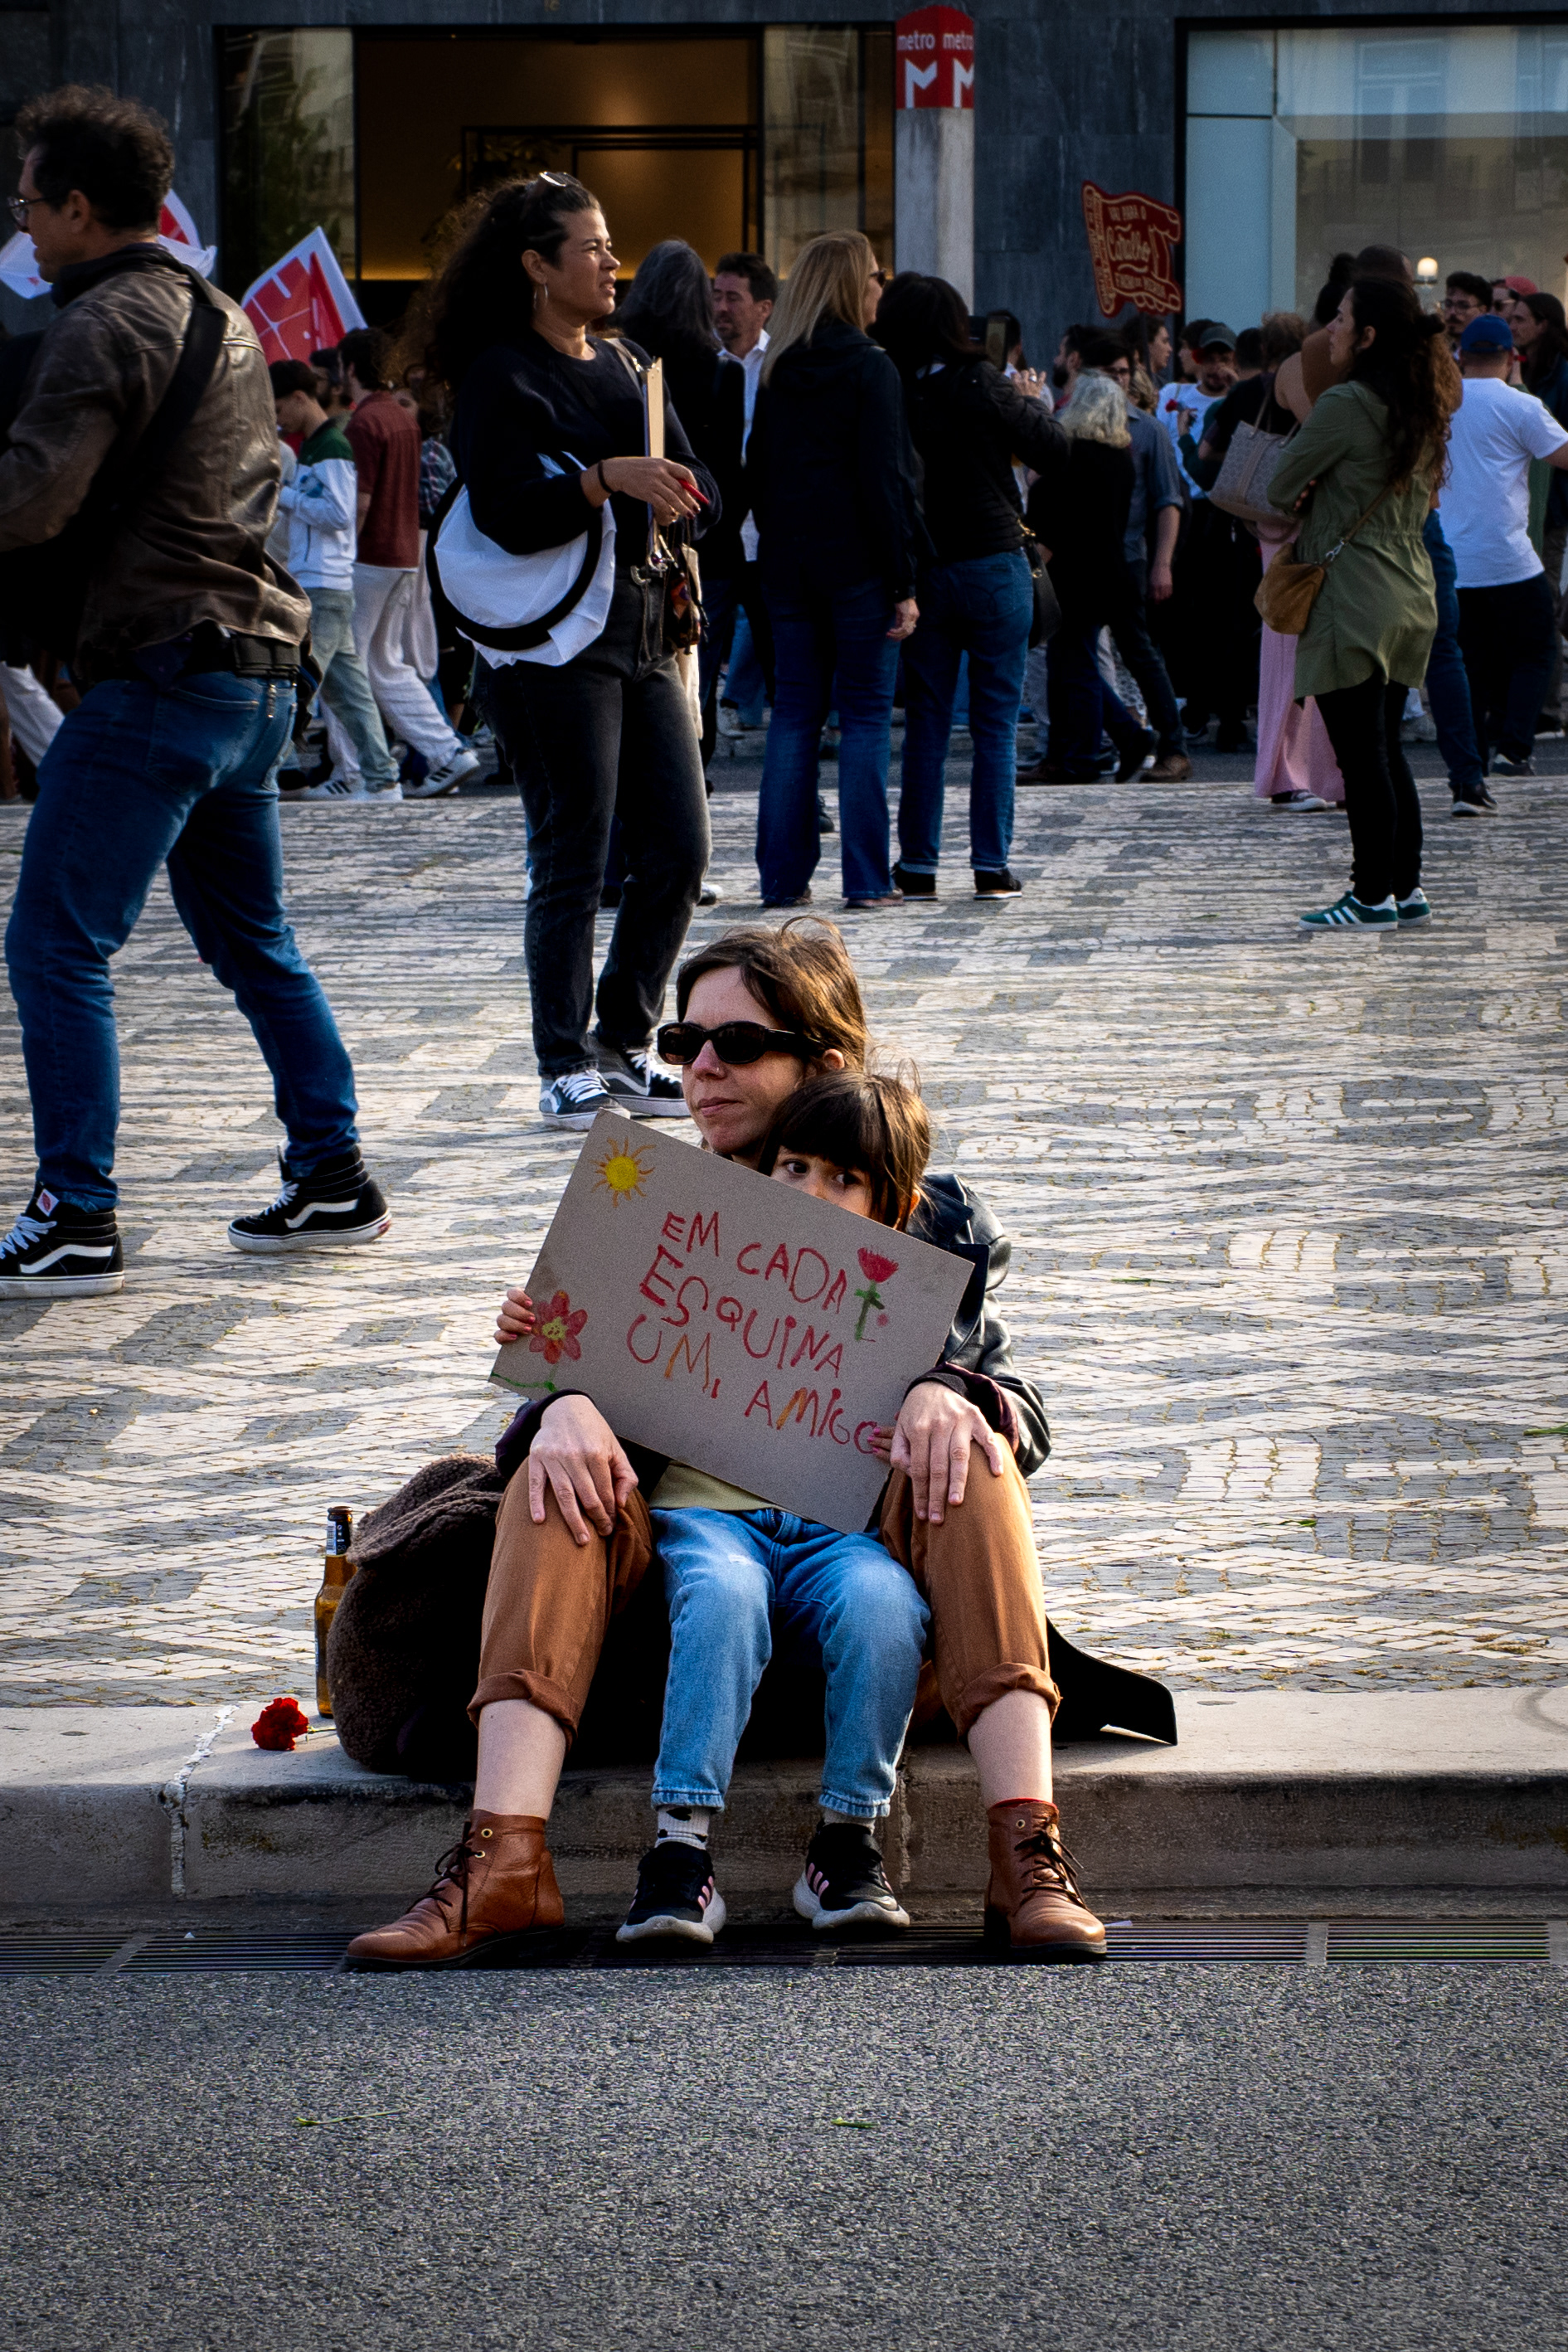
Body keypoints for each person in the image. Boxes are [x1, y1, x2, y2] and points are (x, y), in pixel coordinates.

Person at [342, 917, 1134, 1970]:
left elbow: (1021, 1404)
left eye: (737, 1042)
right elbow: (573, 1375)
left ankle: (1024, 1854)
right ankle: (502, 1866)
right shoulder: (648, 1203)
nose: (700, 1067)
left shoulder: (921, 1213)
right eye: (682, 1042)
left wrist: (953, 1392)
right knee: (548, 1469)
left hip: (862, 1605)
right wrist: (558, 1406)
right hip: (673, 1617)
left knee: (975, 1448)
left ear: (824, 1062)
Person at [0, 85, 390, 1296]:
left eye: (29, 200)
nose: (22, 221)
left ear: (77, 206)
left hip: (163, 674)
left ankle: (76, 1210)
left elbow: (31, 498)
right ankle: (332, 1174)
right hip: (252, 674)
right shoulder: (218, 313)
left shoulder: (103, 321)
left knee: (54, 940)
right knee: (254, 942)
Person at [487, 1070, 940, 1947]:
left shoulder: (907, 1310)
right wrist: (543, 1345)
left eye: (844, 1179)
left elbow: (967, 1391)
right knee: (726, 1592)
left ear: (891, 1208)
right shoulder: (712, 1252)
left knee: (886, 1605)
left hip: (834, 1533)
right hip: (706, 1519)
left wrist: (938, 1394)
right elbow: (585, 1354)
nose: (812, 1193)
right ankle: (680, 1850)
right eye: (794, 1168)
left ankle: (846, 1842)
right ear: (763, 1172)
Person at [415, 173, 716, 1129]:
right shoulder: (501, 374)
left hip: (644, 630)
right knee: (573, 848)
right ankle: (561, 1061)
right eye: (590, 247)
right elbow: (505, 513)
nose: (611, 261)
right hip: (549, 647)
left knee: (680, 847)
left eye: (610, 243)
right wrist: (601, 479)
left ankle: (623, 1040)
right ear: (537, 267)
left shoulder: (630, 362)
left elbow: (702, 481)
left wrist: (680, 493)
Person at [1268, 275, 1457, 930]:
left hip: (1351, 590)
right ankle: (1405, 888)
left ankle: (1370, 894)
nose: (1331, 328)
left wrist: (1315, 484)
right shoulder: (1422, 402)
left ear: (1368, 335)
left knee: (1360, 755)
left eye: (1342, 319)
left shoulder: (1346, 403)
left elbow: (1280, 486)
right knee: (1384, 748)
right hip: (1409, 585)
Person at [747, 231, 923, 908]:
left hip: (788, 565)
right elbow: (885, 482)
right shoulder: (871, 367)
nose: (881, 287)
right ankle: (867, 879)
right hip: (859, 567)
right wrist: (903, 582)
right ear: (852, 284)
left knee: (794, 716)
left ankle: (781, 878)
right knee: (866, 718)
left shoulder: (777, 366)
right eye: (875, 275)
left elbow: (757, 470)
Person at [873, 272, 1063, 897]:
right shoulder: (982, 380)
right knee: (995, 725)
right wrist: (1030, 401)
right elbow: (1054, 450)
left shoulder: (890, 385)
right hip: (994, 564)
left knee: (926, 725)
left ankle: (918, 866)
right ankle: (990, 864)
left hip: (926, 569)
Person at [614, 240, 745, 763]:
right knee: (696, 674)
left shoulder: (619, 362)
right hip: (704, 544)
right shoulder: (723, 372)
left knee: (636, 672)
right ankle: (692, 774)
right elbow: (727, 476)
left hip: (634, 535)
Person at [338, 326, 478, 799]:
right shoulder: (402, 418)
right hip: (403, 555)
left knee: (346, 665)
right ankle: (448, 751)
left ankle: (357, 773)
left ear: (350, 368)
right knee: (385, 664)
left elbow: (361, 502)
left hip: (368, 556)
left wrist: (342, 554)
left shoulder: (363, 423)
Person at [267, 358, 401, 804]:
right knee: (348, 693)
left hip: (324, 583)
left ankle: (260, 773)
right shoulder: (317, 445)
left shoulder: (331, 447)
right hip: (324, 582)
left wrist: (284, 495)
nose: (278, 421)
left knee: (299, 682)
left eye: (279, 409)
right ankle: (383, 779)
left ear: (300, 398)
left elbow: (340, 514)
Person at [1444, 312, 1568, 781]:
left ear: (1461, 355)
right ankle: (1514, 750)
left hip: (1453, 560)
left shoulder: (1441, 404)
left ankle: (1473, 758)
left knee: (1468, 663)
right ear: (1511, 356)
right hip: (1510, 557)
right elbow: (1562, 455)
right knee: (1537, 650)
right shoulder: (1521, 405)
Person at [1064, 331, 1191, 783]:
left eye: (1124, 372)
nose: (1118, 380)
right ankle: (1079, 748)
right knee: (1071, 655)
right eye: (1110, 372)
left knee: (1139, 653)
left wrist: (1162, 563)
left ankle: (1172, 746)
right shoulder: (1070, 423)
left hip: (1128, 557)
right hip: (1081, 561)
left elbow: (1168, 500)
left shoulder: (1147, 429)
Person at [1030, 372, 1153, 782]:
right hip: (1108, 573)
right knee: (1072, 662)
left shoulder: (1072, 456)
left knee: (1075, 666)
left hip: (1073, 576)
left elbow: (1050, 515)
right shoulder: (1120, 460)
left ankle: (1081, 756)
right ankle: (1113, 740)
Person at [711, 250, 778, 723]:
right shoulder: (702, 365)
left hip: (768, 536)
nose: (721, 307)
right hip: (716, 534)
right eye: (716, 296)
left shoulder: (782, 365)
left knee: (780, 658)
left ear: (763, 308)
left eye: (733, 298)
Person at [1509, 291, 1568, 732]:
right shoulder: (1525, 371)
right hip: (1525, 506)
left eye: (1520, 318)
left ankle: (1546, 710)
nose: (1513, 325)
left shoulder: (1560, 375)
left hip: (1551, 508)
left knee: (1543, 604)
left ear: (1543, 323)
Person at [1441, 273, 1493, 352]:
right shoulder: (1440, 352)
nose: (1452, 312)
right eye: (1448, 304)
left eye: (1463, 306)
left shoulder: (1491, 353)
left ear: (1483, 311)